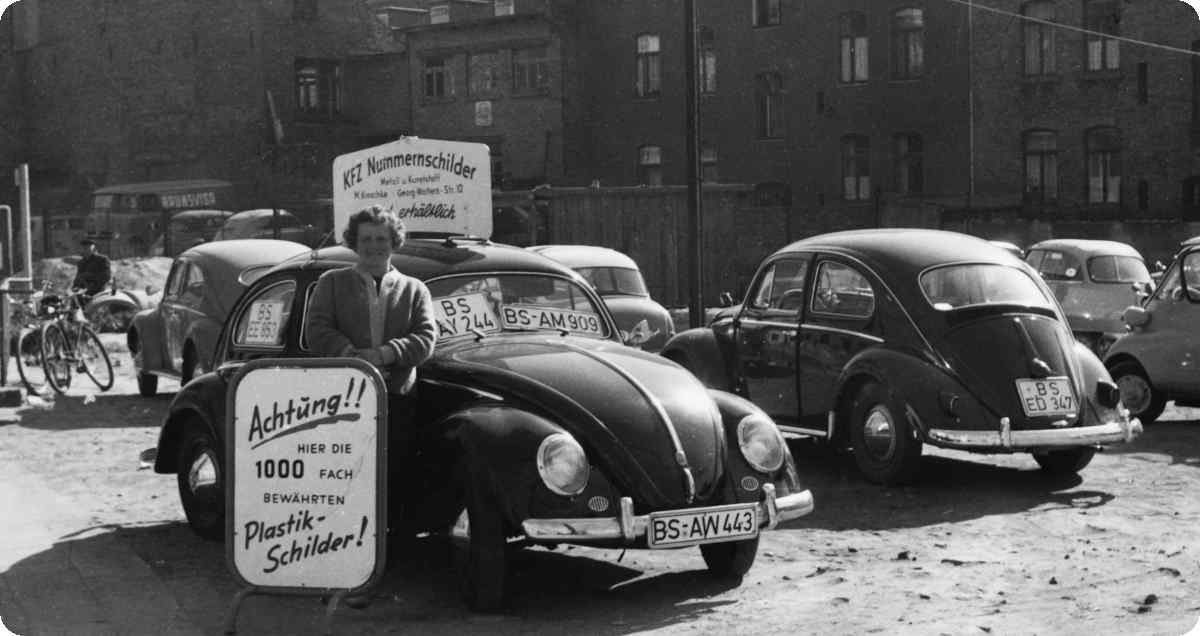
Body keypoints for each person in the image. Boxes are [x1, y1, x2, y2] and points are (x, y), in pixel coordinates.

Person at [304, 205, 436, 607]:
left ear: (394, 242)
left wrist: (385, 354)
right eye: (366, 240)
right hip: (344, 403)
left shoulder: (414, 289)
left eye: (381, 239)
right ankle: (344, 572)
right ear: (354, 243)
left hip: (396, 401)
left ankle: (382, 572)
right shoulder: (331, 283)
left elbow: (426, 337)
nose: (374, 247)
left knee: (390, 485)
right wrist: (350, 355)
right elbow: (317, 329)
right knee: (346, 485)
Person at [72, 238, 112, 307]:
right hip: (84, 290)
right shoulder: (81, 262)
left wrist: (90, 279)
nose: (85, 250)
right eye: (84, 248)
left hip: (98, 290)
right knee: (73, 303)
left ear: (93, 249)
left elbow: (106, 276)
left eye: (88, 248)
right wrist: (74, 288)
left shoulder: (102, 259)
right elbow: (78, 277)